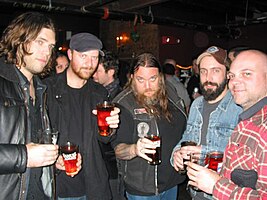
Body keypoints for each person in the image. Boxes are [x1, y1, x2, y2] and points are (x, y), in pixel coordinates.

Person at [44, 33, 120, 200]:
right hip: (59, 185)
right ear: (70, 54)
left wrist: (111, 127)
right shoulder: (48, 89)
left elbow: (104, 139)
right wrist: (54, 160)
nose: (89, 64)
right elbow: (37, 134)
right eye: (83, 56)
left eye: (94, 58)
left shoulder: (99, 92)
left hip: (94, 183)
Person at [186, 49, 267, 199]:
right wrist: (177, 154)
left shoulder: (262, 126)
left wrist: (217, 186)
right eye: (233, 76)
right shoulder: (247, 119)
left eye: (247, 73)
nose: (235, 81)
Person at [112, 53, 187, 199]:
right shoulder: (123, 104)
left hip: (172, 181)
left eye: (153, 79)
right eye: (141, 80)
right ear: (132, 78)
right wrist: (135, 149)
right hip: (143, 188)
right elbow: (117, 150)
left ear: (161, 77)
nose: (147, 86)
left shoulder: (170, 92)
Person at [0, 12, 59, 200]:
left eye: (50, 46)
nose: (47, 52)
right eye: (40, 42)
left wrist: (52, 162)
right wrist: (24, 156)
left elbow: (33, 141)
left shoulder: (41, 89)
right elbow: (27, 153)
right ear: (19, 39)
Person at [170, 46, 242, 200]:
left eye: (215, 70)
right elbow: (187, 138)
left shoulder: (239, 106)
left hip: (223, 194)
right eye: (203, 71)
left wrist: (204, 151)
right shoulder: (197, 104)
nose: (208, 77)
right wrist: (176, 153)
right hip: (195, 193)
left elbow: (243, 154)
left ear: (228, 74)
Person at [93, 51, 125, 200]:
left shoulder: (121, 99)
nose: (94, 74)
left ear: (110, 72)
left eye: (98, 71)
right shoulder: (95, 93)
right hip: (98, 166)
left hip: (112, 167)